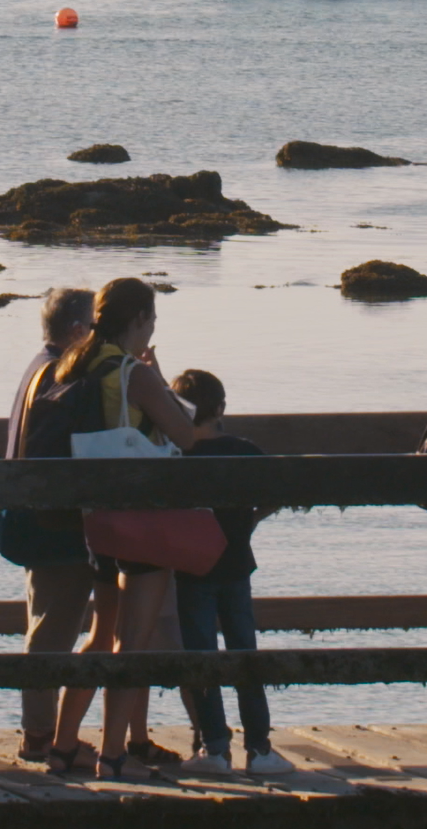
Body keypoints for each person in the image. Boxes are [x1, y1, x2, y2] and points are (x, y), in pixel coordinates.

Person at [37, 278, 207, 780]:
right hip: (139, 518)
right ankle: (113, 756)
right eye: (151, 319)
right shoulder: (133, 372)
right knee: (134, 642)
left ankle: (64, 746)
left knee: (99, 636)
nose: (152, 326)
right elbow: (184, 434)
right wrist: (159, 378)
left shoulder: (75, 361)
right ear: (138, 320)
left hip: (95, 519)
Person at [167, 368, 288, 777]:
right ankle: (260, 748)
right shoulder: (243, 450)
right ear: (221, 408)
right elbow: (279, 491)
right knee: (244, 655)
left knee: (201, 657)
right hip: (236, 564)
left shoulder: (177, 456)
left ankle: (215, 748)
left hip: (191, 568)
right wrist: (251, 519)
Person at [0, 287, 99, 767]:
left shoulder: (37, 366)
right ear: (79, 330)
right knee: (55, 629)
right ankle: (42, 733)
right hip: (53, 521)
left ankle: (42, 728)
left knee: (45, 622)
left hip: (28, 514)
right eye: (96, 327)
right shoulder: (61, 377)